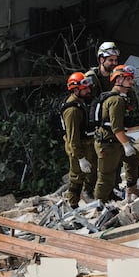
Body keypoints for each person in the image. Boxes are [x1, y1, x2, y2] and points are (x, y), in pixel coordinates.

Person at [94, 64, 139, 203]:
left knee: (134, 158)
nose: (131, 82)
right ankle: (99, 205)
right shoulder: (116, 101)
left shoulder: (119, 98)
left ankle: (132, 188)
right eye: (128, 79)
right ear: (118, 80)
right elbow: (116, 128)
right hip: (108, 144)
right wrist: (126, 145)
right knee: (106, 176)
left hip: (115, 141)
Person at [61, 72, 97, 208]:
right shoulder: (72, 110)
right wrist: (80, 158)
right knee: (77, 177)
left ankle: (89, 195)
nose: (89, 91)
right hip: (78, 147)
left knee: (91, 173)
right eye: (85, 88)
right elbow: (73, 137)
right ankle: (73, 205)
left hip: (87, 144)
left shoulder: (81, 103)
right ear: (75, 90)